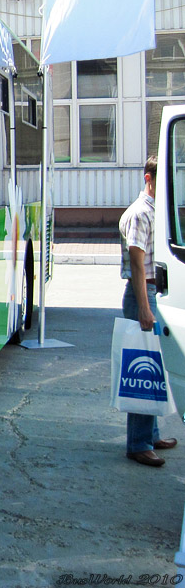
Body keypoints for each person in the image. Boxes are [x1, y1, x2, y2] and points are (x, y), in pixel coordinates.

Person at [119, 155, 177, 466]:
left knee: (152, 368)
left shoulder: (155, 211)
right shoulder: (141, 213)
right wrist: (144, 307)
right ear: (148, 178)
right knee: (142, 369)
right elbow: (138, 264)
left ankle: (151, 434)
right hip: (143, 294)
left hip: (151, 292)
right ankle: (138, 443)